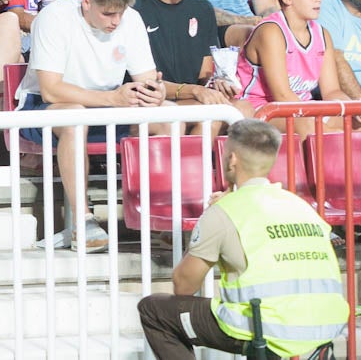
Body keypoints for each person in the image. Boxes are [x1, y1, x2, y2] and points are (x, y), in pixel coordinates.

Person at [137, 117, 348, 360]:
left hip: (269, 329)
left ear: (232, 159)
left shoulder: (225, 211)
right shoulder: (301, 206)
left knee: (154, 311)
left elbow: (184, 285)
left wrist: (207, 223)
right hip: (327, 323)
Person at [21, 0, 164, 250]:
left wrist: (155, 93)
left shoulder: (131, 19)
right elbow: (51, 90)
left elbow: (148, 78)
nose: (116, 21)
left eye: (120, 12)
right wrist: (113, 99)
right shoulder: (54, 17)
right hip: (47, 108)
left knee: (169, 118)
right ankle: (82, 223)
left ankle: (162, 216)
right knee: (75, 117)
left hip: (107, 107)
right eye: (108, 13)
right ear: (85, 2)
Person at [234, 0, 346, 114]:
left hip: (302, 107)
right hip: (260, 107)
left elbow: (331, 91)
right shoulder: (271, 31)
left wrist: (353, 109)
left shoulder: (323, 34)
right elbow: (282, 96)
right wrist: (317, 118)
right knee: (313, 125)